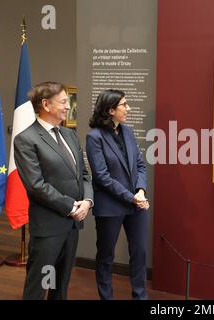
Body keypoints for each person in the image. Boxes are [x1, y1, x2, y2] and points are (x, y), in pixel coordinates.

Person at [14, 81, 93, 300]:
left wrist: (87, 201)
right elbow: (36, 185)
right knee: (39, 287)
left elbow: (84, 175)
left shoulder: (70, 135)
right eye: (64, 101)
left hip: (73, 225)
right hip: (49, 228)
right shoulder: (26, 139)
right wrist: (71, 206)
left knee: (61, 286)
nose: (69, 106)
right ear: (46, 105)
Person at [86, 89, 149, 300]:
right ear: (111, 110)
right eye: (124, 105)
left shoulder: (127, 131)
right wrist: (131, 196)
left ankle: (140, 297)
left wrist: (140, 190)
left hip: (136, 204)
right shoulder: (94, 137)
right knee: (106, 257)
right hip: (110, 206)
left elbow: (140, 165)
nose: (128, 108)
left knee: (139, 254)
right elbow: (102, 177)